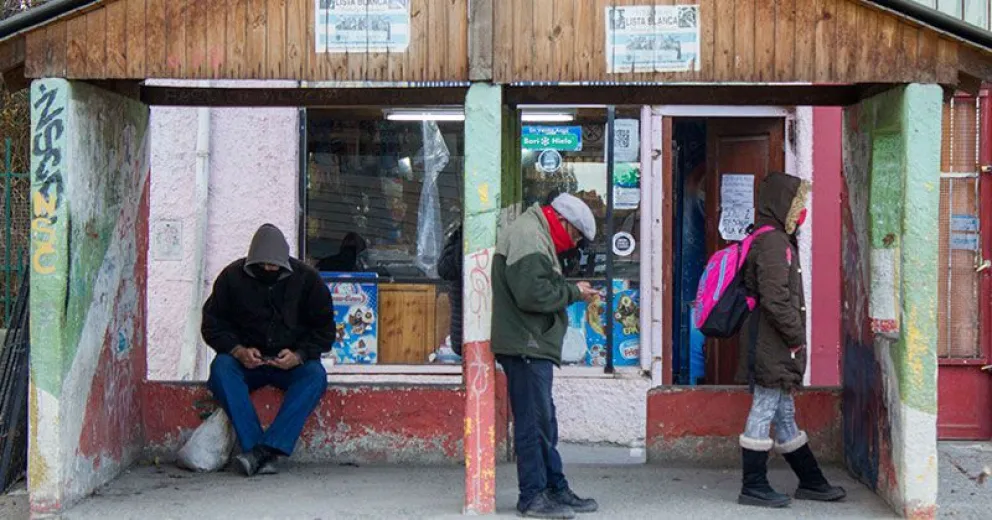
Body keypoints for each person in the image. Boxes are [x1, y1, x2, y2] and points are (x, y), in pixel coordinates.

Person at [736, 173, 846, 507]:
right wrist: (796, 336)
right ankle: (753, 486)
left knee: (783, 411)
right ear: (782, 205)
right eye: (797, 205)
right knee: (766, 405)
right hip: (772, 341)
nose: (801, 213)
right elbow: (775, 298)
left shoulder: (772, 239)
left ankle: (812, 481)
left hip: (772, 340)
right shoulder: (772, 243)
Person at [491, 193, 601, 519]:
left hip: (531, 344)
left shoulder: (534, 232)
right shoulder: (529, 235)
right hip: (527, 345)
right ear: (564, 223)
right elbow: (532, 294)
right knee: (533, 423)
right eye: (577, 235)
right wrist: (573, 292)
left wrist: (570, 289)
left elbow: (534, 286)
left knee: (543, 421)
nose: (574, 243)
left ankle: (554, 487)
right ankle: (533, 496)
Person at [202, 224, 335, 477]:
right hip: (247, 362)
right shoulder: (231, 278)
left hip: (290, 363)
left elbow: (325, 331)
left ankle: (263, 451)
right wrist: (238, 350)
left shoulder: (308, 280)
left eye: (273, 266)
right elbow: (212, 324)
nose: (268, 270)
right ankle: (256, 448)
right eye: (262, 266)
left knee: (315, 376)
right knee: (221, 369)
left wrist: (299, 356)